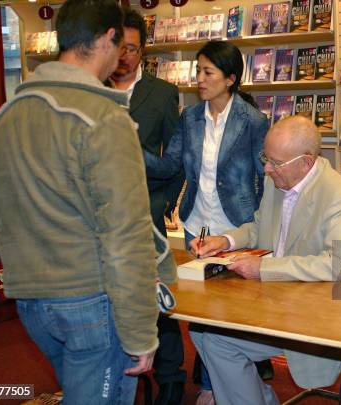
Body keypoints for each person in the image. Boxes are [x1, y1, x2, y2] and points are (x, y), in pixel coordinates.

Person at [0, 1, 173, 403]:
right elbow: (126, 235)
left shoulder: (6, 117)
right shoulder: (103, 118)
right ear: (108, 38)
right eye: (120, 45)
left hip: (32, 302)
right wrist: (141, 331)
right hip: (90, 303)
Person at [188, 116, 341, 405]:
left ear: (305, 162)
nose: (266, 169)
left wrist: (265, 268)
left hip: (309, 312)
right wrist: (224, 240)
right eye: (265, 159)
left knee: (216, 340)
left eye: (275, 162)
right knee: (200, 329)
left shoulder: (336, 194)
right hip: (270, 301)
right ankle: (257, 398)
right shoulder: (278, 180)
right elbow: (259, 228)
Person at [142, 40, 269, 404]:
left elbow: (266, 174)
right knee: (200, 312)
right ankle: (216, 385)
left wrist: (265, 226)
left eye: (207, 72)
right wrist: (131, 149)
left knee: (230, 314)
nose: (198, 78)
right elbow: (171, 166)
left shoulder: (253, 122)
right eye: (197, 70)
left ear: (230, 79)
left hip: (236, 229)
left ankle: (222, 386)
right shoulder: (191, 118)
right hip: (197, 227)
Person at [108, 9, 185, 405]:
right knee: (112, 300)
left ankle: (171, 377)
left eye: (133, 49)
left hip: (147, 215)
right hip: (102, 223)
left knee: (159, 298)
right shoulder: (90, 88)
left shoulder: (161, 93)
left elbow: (175, 159)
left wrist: (162, 204)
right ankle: (118, 374)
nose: (124, 57)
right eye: (119, 47)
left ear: (144, 50)